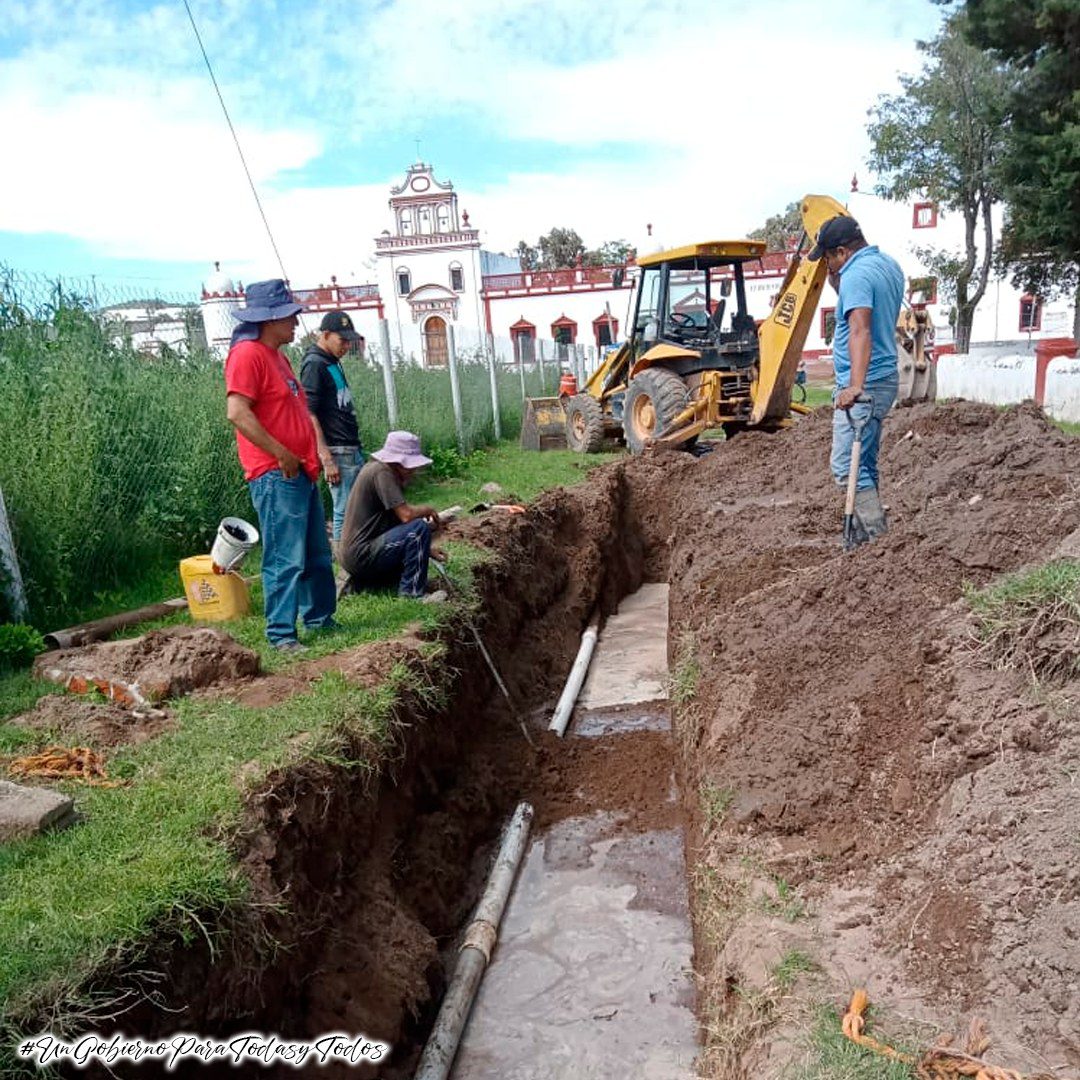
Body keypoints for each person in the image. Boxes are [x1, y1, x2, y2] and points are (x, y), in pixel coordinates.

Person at [224, 279, 337, 650]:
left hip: (300, 470)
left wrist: (310, 454)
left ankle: (320, 619)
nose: (295, 321)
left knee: (317, 554)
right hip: (276, 473)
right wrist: (281, 453)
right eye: (288, 315)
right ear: (268, 319)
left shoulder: (279, 357)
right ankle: (281, 635)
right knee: (285, 557)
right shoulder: (247, 355)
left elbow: (295, 410)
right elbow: (238, 413)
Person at [809, 215, 905, 545]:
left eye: (827, 259)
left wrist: (854, 386)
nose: (827, 266)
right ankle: (867, 548)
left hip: (867, 382)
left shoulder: (856, 276)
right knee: (863, 462)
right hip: (886, 378)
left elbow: (861, 329)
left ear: (842, 252)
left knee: (844, 465)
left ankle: (878, 542)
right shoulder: (887, 265)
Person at [339, 431, 445, 602]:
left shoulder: (378, 470)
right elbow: (406, 516)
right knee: (418, 528)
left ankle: (374, 584)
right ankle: (412, 594)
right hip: (361, 554)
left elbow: (395, 525)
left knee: (416, 530)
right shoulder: (382, 472)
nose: (414, 470)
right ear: (398, 461)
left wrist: (428, 550)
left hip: (356, 554)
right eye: (411, 466)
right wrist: (427, 509)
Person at [299, 311, 364, 543]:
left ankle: (354, 555)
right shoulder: (314, 364)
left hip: (350, 447)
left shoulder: (331, 361)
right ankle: (344, 561)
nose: (346, 346)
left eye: (349, 341)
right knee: (344, 510)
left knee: (356, 507)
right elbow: (308, 411)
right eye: (342, 340)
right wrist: (326, 457)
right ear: (326, 335)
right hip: (337, 451)